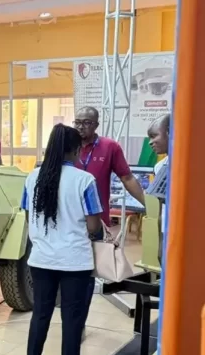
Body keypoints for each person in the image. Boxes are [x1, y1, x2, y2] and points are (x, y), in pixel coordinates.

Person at [20, 124, 103, 355]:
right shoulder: (84, 180)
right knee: (72, 319)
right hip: (75, 262)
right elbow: (93, 225)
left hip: (41, 259)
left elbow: (27, 212)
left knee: (41, 314)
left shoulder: (32, 178)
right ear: (76, 150)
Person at [72, 106, 147, 340]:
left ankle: (78, 324)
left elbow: (127, 178)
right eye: (77, 122)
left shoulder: (110, 147)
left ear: (96, 124)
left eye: (86, 122)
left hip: (95, 225)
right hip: (68, 224)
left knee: (86, 278)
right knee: (68, 277)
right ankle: (71, 318)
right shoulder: (68, 145)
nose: (81, 127)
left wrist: (149, 203)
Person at [148, 113, 171, 264]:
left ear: (170, 132)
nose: (151, 142)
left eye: (154, 136)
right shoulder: (159, 166)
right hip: (165, 229)